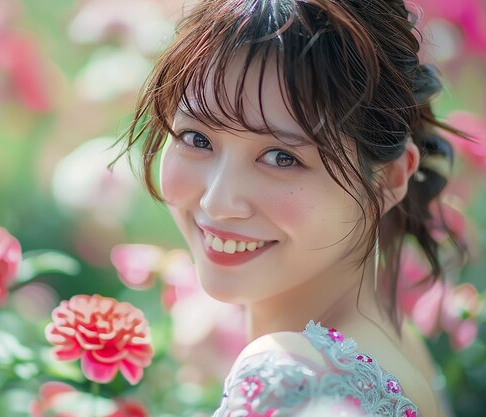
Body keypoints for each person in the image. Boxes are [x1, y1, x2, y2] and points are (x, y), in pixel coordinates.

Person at [119, 0, 467, 415]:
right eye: (196, 139)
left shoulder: (286, 376)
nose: (217, 201)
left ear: (389, 178)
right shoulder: (396, 341)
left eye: (282, 158)